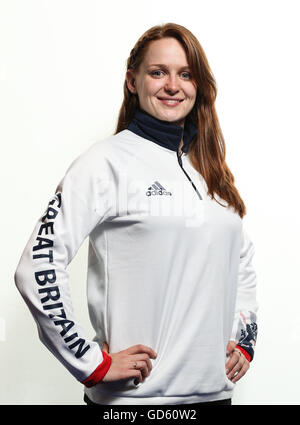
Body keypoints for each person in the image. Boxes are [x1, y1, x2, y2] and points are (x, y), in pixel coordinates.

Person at [14, 22, 258, 406]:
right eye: (158, 72)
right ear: (133, 81)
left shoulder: (210, 171)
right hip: (135, 402)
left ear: (199, 84)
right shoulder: (105, 162)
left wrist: (244, 338)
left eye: (186, 74)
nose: (172, 85)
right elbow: (37, 265)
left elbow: (240, 261)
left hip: (215, 395)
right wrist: (90, 362)